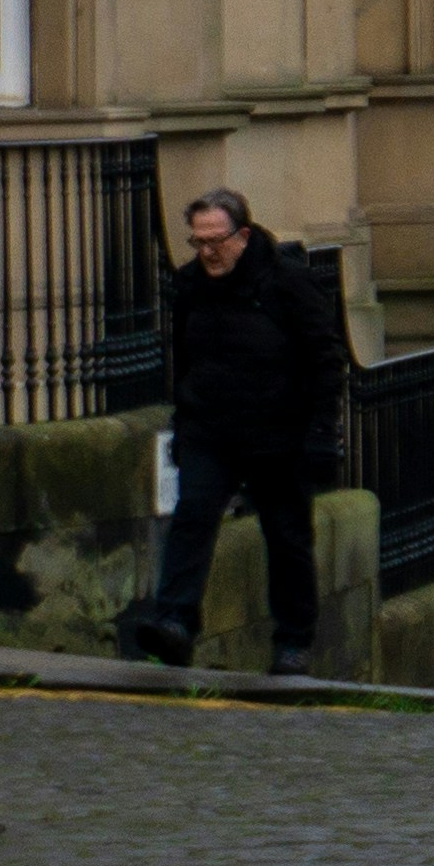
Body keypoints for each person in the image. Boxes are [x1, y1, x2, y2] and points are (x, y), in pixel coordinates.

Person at [130, 186, 351, 673]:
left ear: (244, 235)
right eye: (198, 241)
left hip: (278, 433)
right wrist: (183, 424)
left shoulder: (288, 284)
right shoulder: (189, 286)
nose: (208, 251)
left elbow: (325, 360)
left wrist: (320, 434)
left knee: (287, 537)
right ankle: (175, 623)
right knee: (192, 517)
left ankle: (294, 641)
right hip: (210, 430)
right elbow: (185, 360)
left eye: (217, 240)